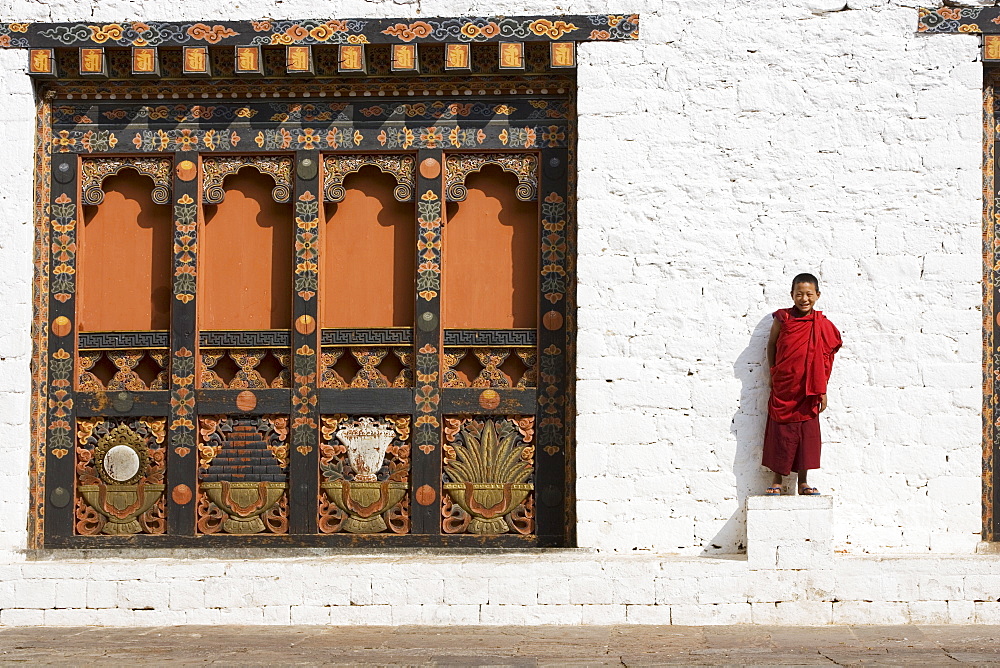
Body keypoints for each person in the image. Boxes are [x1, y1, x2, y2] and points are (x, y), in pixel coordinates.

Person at [763, 273, 842, 495]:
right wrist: (773, 372)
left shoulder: (822, 324)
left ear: (817, 295)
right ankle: (777, 480)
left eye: (809, 294)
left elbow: (826, 356)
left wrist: (822, 389)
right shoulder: (783, 319)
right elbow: (772, 345)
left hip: (809, 388)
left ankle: (803, 482)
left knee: (806, 435)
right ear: (792, 295)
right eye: (799, 294)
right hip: (785, 385)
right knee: (780, 432)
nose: (804, 299)